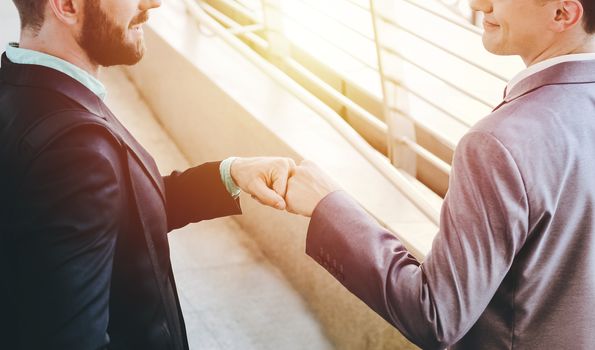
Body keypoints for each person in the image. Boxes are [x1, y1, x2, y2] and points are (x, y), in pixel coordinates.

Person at [285, 0, 595, 349]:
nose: (479, 4)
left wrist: (327, 204)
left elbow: (434, 316)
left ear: (562, 13)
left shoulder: (498, 143)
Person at [0, 0, 295, 349]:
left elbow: (117, 214)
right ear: (66, 5)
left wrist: (228, 175)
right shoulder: (75, 151)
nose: (152, 3)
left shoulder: (21, 89)